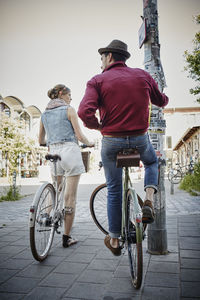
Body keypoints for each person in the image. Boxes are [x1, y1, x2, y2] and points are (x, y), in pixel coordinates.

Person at [78, 40, 169, 256]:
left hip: (111, 140)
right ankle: (148, 199)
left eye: (102, 58)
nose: (101, 63)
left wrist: (98, 126)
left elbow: (84, 112)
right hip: (139, 138)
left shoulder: (97, 80)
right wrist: (162, 96)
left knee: (114, 189)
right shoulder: (142, 75)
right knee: (151, 162)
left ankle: (115, 240)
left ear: (109, 57)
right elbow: (161, 100)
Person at [39, 84, 94, 248]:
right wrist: (90, 143)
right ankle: (67, 237)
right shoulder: (69, 110)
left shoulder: (44, 114)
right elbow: (79, 135)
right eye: (70, 95)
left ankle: (45, 215)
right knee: (70, 197)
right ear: (62, 94)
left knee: (56, 188)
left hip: (54, 152)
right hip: (70, 151)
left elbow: (41, 141)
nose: (71, 98)